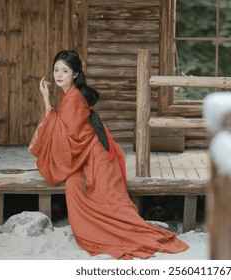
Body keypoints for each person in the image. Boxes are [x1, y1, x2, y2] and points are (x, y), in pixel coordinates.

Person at [29, 50, 189, 259]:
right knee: (74, 184)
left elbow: (68, 137)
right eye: (56, 69)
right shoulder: (70, 93)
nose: (58, 75)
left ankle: (109, 231)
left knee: (102, 199)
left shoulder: (74, 96)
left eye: (65, 71)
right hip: (91, 152)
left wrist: (46, 100)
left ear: (75, 74)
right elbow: (66, 132)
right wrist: (49, 101)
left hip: (97, 156)